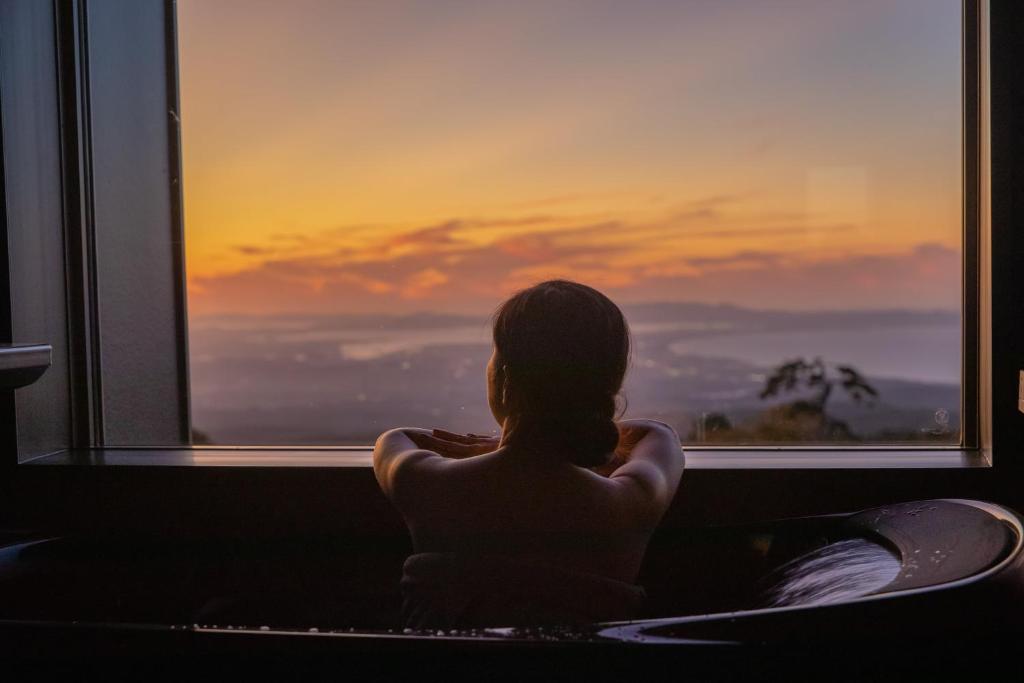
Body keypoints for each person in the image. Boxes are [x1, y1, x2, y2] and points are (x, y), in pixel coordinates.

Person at [373, 280, 684, 629]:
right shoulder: (628, 500)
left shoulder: (429, 484)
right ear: (607, 386)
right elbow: (658, 434)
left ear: (504, 378)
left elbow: (394, 440)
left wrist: (498, 449)